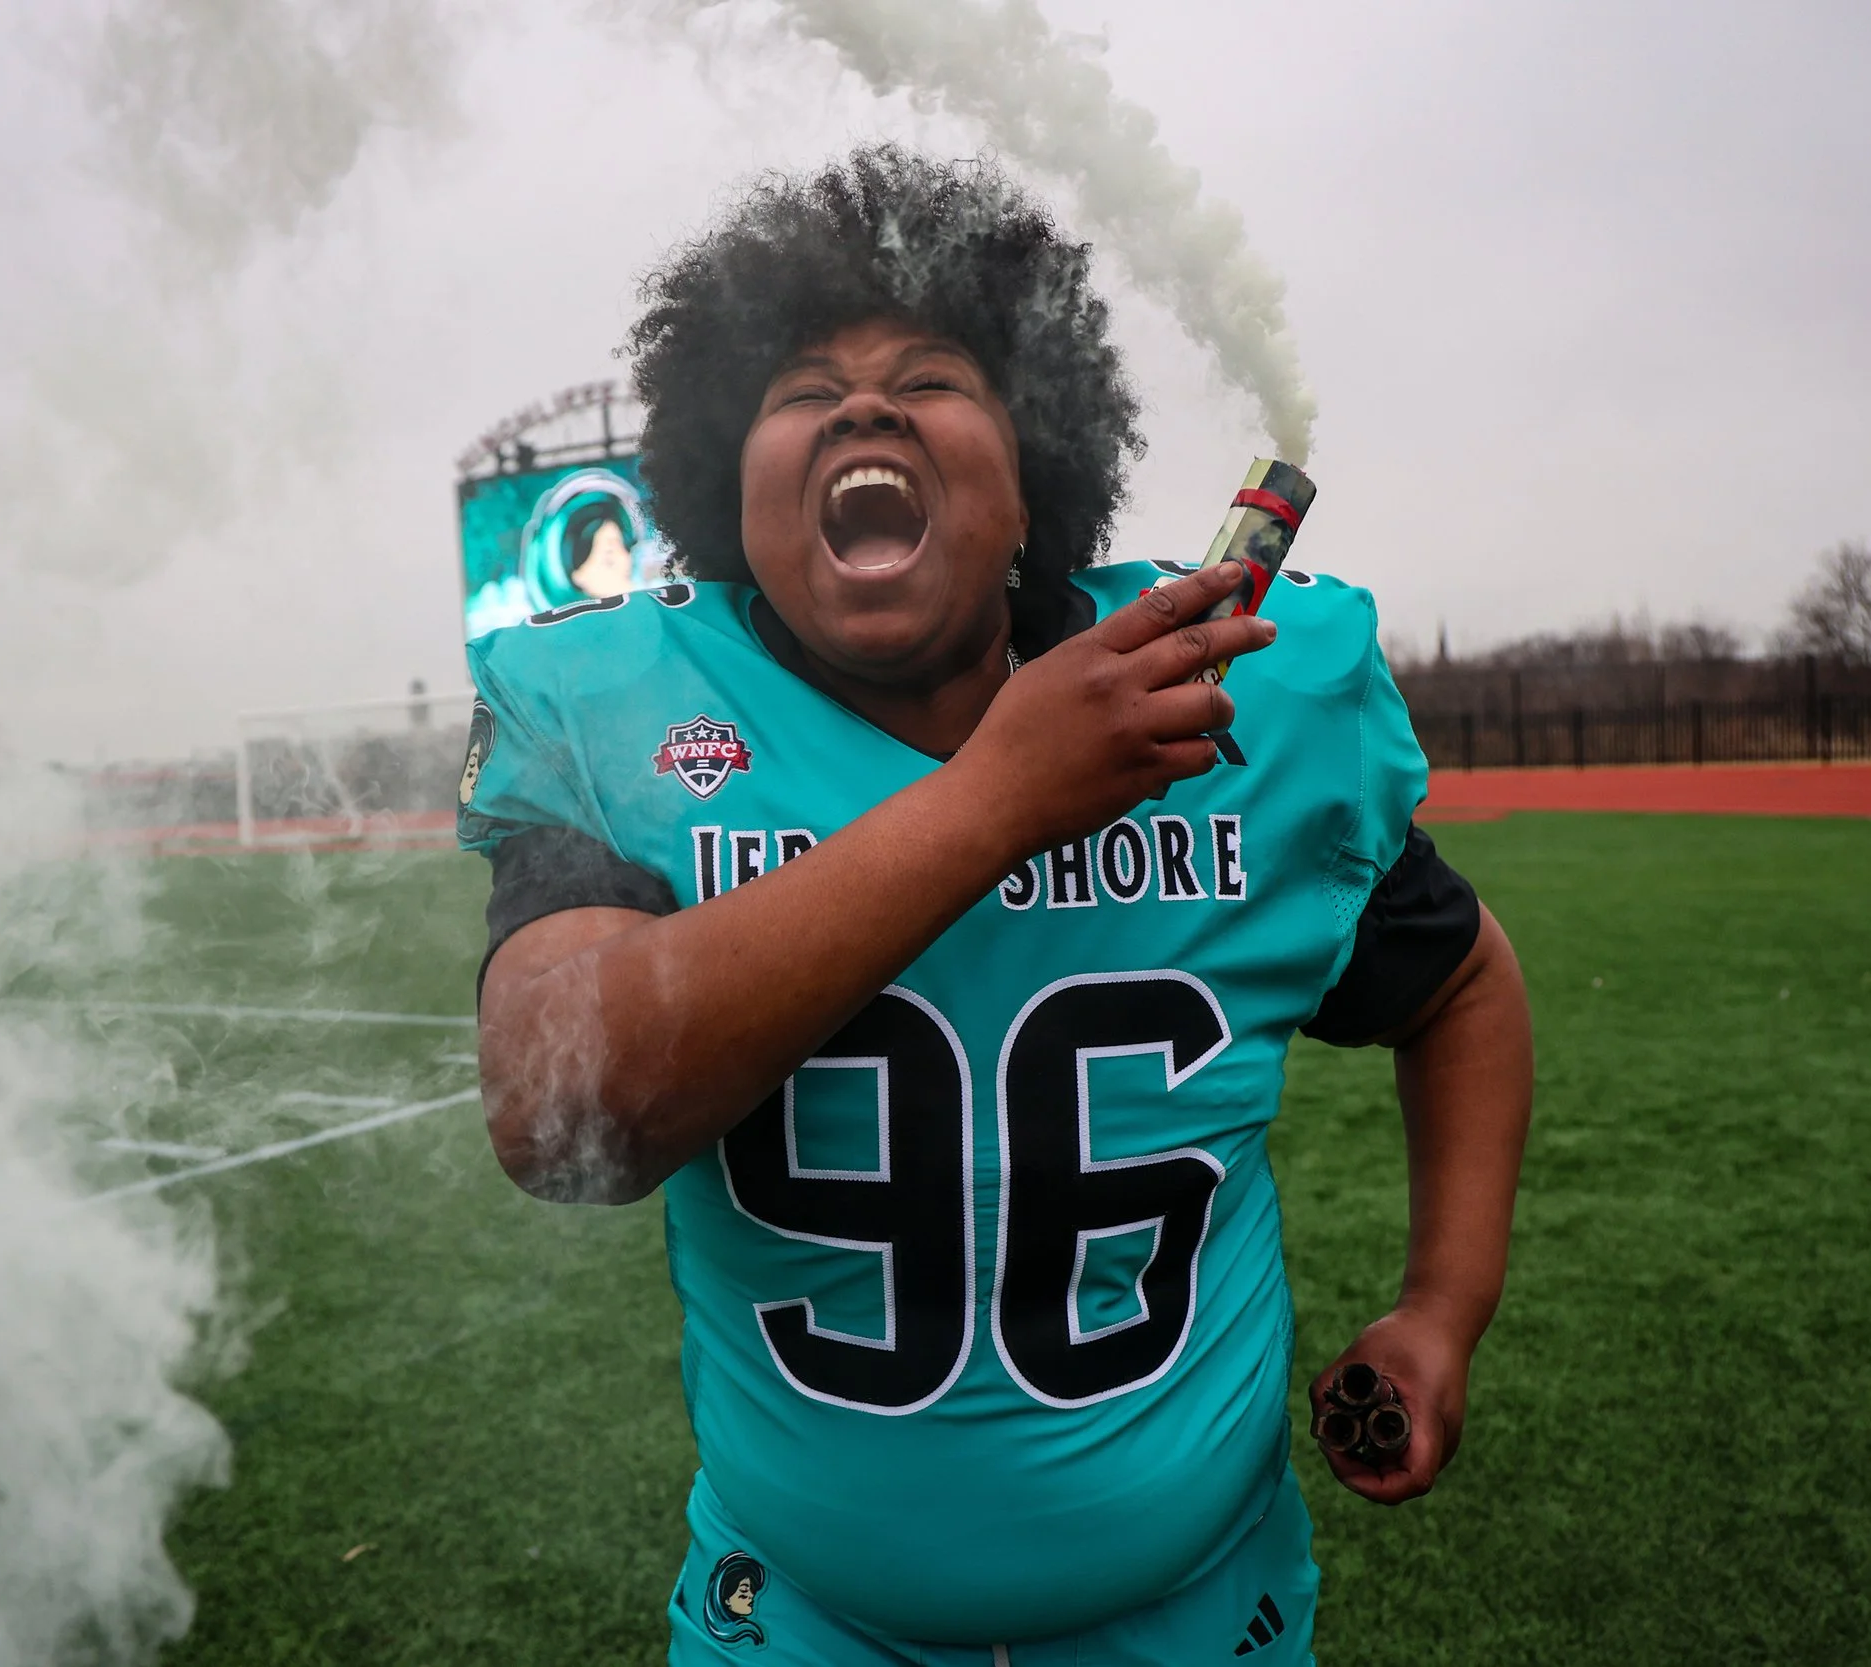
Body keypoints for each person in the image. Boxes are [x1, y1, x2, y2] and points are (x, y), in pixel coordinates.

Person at [459, 146, 1532, 1666]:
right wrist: (996, 798)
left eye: (932, 376)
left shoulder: (1237, 701)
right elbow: (562, 1113)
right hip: (809, 1621)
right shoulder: (621, 712)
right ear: (721, 489)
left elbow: (1463, 985)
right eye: (797, 387)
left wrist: (1443, 1304)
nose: (865, 406)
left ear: (1034, 468)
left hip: (1200, 1611)